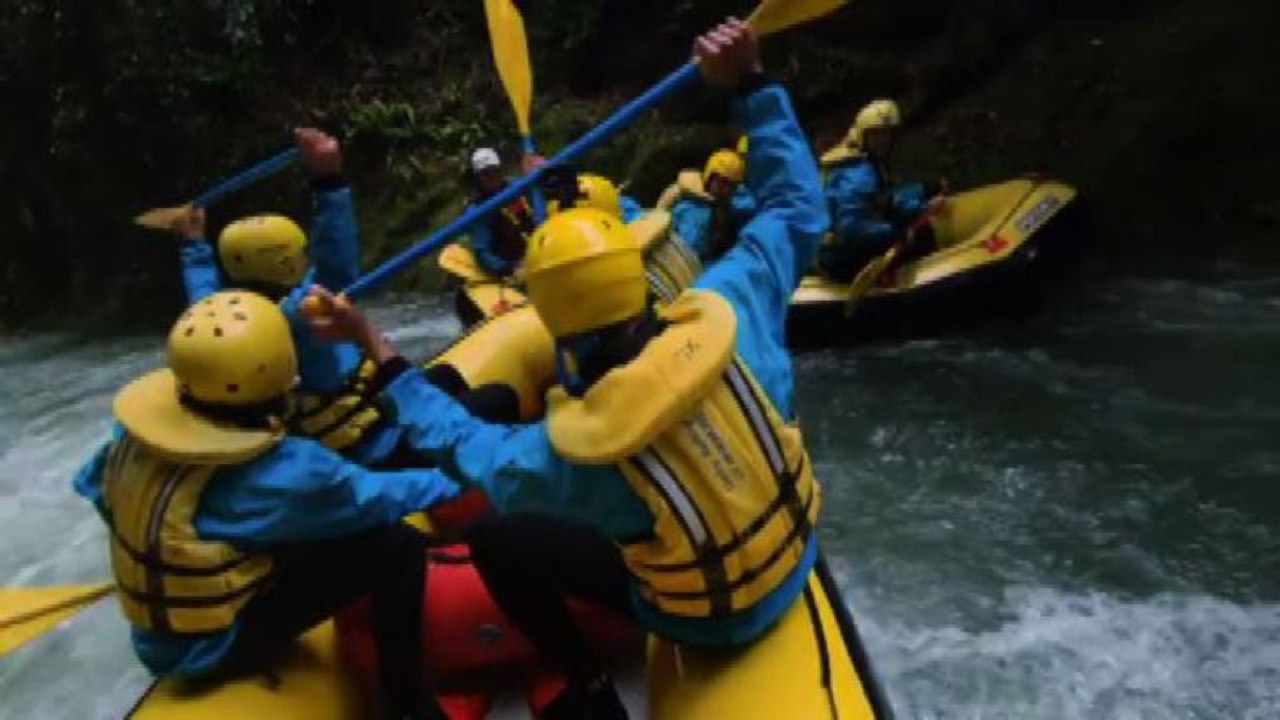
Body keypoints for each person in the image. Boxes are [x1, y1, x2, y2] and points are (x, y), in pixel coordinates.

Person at [305, 17, 826, 718]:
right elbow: (794, 205)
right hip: (793, 561)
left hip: (698, 619)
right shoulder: (731, 303)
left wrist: (376, 344)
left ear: (551, 321)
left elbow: (466, 447)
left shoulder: (582, 454)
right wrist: (754, 84)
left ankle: (583, 682)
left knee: (496, 536)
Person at [72, 291, 460, 720]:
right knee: (395, 545)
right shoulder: (281, 471)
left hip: (153, 640)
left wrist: (171, 559)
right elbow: (379, 497)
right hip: (218, 646)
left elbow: (93, 488)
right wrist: (466, 476)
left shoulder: (128, 440)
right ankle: (406, 705)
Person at [170, 128, 417, 465]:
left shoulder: (228, 324)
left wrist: (193, 245)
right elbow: (336, 261)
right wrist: (329, 179)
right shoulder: (306, 308)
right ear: (290, 257)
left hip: (321, 450)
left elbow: (204, 298)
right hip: (375, 443)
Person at [816, 99, 944, 281]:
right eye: (875, 135)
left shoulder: (868, 163)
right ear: (863, 136)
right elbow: (852, 229)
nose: (882, 140)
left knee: (915, 229)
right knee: (921, 237)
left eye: (887, 134)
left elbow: (887, 202)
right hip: (836, 254)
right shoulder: (859, 173)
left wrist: (923, 207)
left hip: (843, 245)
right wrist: (895, 232)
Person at [663, 147, 747, 264]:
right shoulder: (696, 213)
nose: (726, 190)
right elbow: (689, 259)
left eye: (732, 186)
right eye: (722, 183)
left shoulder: (722, 205)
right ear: (710, 178)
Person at [466, 147, 537, 279]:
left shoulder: (517, 186)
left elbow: (539, 203)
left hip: (536, 250)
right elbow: (482, 252)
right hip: (510, 264)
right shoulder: (477, 211)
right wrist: (508, 269)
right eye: (485, 174)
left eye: (494, 171)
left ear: (500, 170)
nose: (491, 177)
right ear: (478, 178)